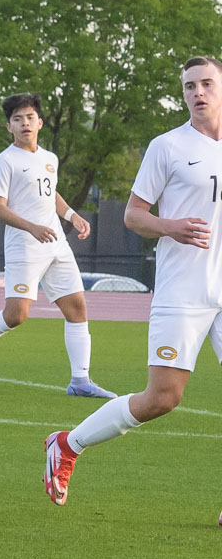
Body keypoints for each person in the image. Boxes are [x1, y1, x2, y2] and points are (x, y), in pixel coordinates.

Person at [43, 56, 222, 506]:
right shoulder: (168, 146)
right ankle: (68, 444)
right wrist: (170, 226)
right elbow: (133, 215)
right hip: (183, 290)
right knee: (163, 398)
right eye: (189, 86)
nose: (198, 93)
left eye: (206, 83)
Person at [0, 93, 116, 399]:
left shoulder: (50, 159)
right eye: (17, 119)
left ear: (40, 122)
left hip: (56, 245)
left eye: (29, 118)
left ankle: (80, 381)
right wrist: (32, 227)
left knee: (77, 308)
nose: (24, 123)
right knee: (16, 315)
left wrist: (72, 216)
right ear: (8, 126)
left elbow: (51, 194)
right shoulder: (5, 161)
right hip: (24, 245)